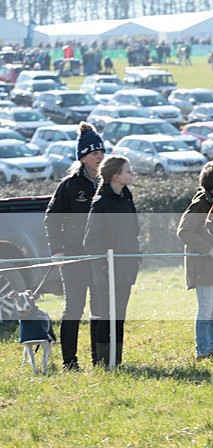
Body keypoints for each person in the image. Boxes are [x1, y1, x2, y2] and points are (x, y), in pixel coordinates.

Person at [44, 122, 105, 371]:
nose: (99, 156)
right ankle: (70, 361)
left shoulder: (107, 182)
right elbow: (51, 218)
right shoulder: (69, 185)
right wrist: (57, 250)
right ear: (83, 156)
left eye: (101, 151)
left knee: (99, 307)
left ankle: (98, 359)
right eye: (94, 152)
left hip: (99, 256)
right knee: (74, 307)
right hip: (73, 256)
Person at [83, 155, 140, 368]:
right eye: (128, 171)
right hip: (106, 271)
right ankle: (101, 362)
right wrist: (105, 265)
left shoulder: (127, 197)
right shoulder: (101, 203)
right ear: (116, 175)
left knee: (120, 315)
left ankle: (116, 359)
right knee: (106, 315)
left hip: (126, 267)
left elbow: (134, 229)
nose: (132, 174)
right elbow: (91, 240)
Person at [177, 160, 213, 359]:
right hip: (203, 264)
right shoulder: (201, 202)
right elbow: (184, 231)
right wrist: (208, 249)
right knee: (206, 308)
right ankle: (202, 350)